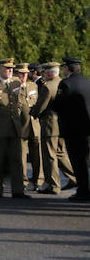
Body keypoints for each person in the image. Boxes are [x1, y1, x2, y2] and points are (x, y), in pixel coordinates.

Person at [0, 59, 31, 198]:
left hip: (15, 128)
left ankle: (18, 190)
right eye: (6, 68)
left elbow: (22, 104)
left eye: (11, 68)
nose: (10, 70)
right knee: (0, 160)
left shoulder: (17, 82)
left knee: (17, 160)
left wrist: (25, 126)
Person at [31, 62, 77, 194]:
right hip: (62, 124)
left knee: (49, 155)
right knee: (61, 154)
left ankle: (53, 185)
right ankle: (76, 177)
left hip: (50, 124)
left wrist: (34, 113)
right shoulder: (64, 83)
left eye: (44, 71)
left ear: (50, 72)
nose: (43, 74)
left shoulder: (48, 86)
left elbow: (41, 105)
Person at [51, 56, 90, 202]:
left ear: (66, 68)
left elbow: (58, 105)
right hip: (87, 129)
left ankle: (83, 191)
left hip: (73, 130)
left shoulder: (66, 84)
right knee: (87, 161)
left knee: (78, 162)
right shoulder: (88, 82)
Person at [15, 63, 43, 190]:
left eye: (26, 73)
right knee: (21, 156)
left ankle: (39, 181)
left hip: (35, 125)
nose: (24, 76)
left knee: (37, 155)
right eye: (21, 73)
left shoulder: (34, 86)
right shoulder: (12, 88)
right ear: (16, 74)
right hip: (21, 126)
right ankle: (23, 181)